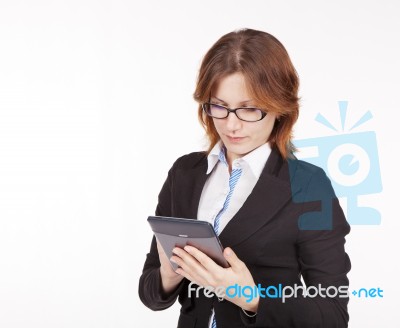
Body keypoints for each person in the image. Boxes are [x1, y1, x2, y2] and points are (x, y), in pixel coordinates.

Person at [138, 28, 351, 328]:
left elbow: (332, 315)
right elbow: (150, 293)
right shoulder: (184, 174)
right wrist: (168, 277)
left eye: (249, 109)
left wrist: (250, 297)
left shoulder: (309, 187)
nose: (232, 124)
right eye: (219, 107)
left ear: (280, 108)